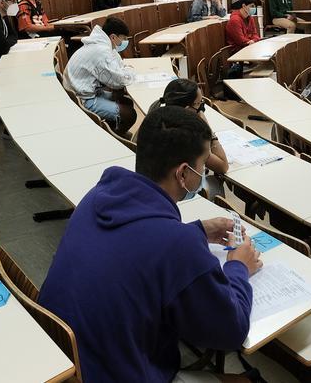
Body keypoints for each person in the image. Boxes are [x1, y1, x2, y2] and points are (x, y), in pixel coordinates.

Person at [39, 105, 258, 383]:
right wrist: (239, 266)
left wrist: (198, 231)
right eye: (202, 166)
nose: (203, 173)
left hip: (66, 360)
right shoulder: (177, 244)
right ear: (183, 174)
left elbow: (135, 244)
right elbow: (232, 330)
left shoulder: (97, 196)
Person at [64, 17, 137, 134]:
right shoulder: (101, 50)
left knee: (125, 101)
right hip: (83, 99)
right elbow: (118, 80)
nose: (123, 42)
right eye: (123, 39)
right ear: (113, 37)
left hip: (87, 91)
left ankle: (113, 128)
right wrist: (130, 71)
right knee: (129, 114)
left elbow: (117, 66)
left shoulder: (101, 45)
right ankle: (114, 138)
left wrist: (126, 70)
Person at [150, 78, 230, 182]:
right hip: (180, 190)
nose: (201, 107)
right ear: (188, 110)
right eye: (198, 103)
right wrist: (207, 129)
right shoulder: (190, 138)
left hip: (157, 181)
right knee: (215, 183)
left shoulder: (157, 118)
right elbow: (223, 166)